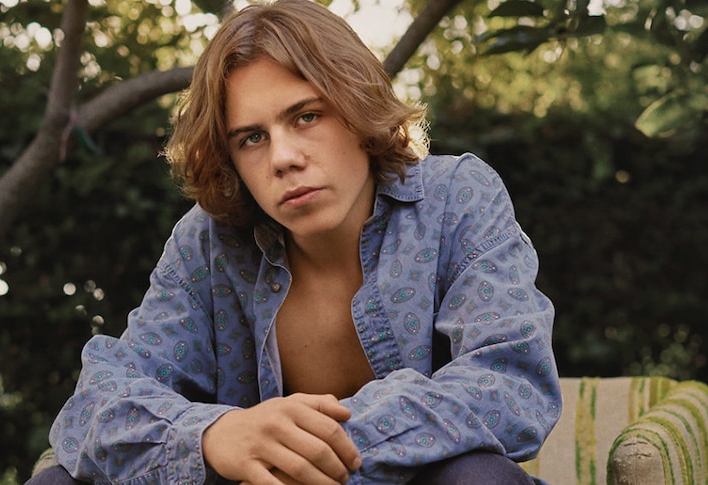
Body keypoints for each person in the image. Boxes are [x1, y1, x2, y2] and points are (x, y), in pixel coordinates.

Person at [31, 0, 561, 483]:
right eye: (252, 138)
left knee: (476, 477)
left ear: (356, 110)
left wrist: (304, 452)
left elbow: (510, 383)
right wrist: (213, 436)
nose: (283, 157)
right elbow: (95, 407)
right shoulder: (210, 242)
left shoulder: (454, 198)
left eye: (306, 116)